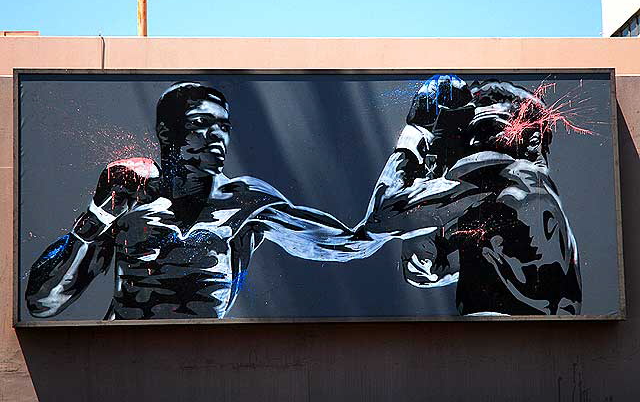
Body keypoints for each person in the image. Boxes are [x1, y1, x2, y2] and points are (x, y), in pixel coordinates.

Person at [26, 81, 487, 320]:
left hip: (206, 375)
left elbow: (352, 243)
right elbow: (42, 305)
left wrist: (415, 139)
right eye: (202, 124)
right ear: (167, 133)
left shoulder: (246, 203)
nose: (217, 137)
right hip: (116, 372)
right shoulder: (127, 199)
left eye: (223, 126)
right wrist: (95, 216)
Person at [397, 77, 582, 315]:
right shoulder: (491, 215)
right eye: (468, 138)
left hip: (521, 344)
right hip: (519, 343)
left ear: (530, 144)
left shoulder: (520, 184)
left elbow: (389, 216)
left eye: (486, 131)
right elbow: (421, 266)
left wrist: (415, 135)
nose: (472, 144)